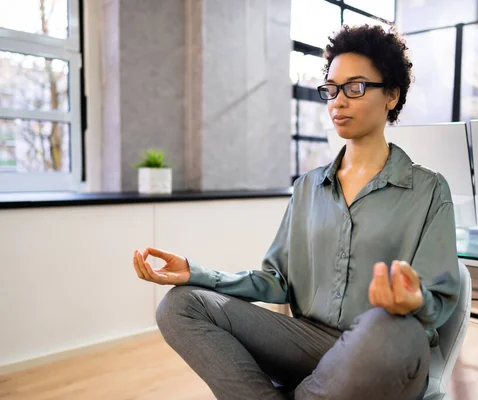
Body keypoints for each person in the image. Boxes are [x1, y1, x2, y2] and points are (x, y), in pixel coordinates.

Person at [133, 24, 460, 400]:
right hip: (309, 343)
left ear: (391, 95)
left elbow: (440, 303)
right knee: (179, 304)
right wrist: (198, 274)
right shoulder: (308, 187)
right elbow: (276, 281)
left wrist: (412, 301)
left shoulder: (429, 190)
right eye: (331, 89)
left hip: (388, 348)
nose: (338, 101)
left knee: (388, 326)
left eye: (355, 88)